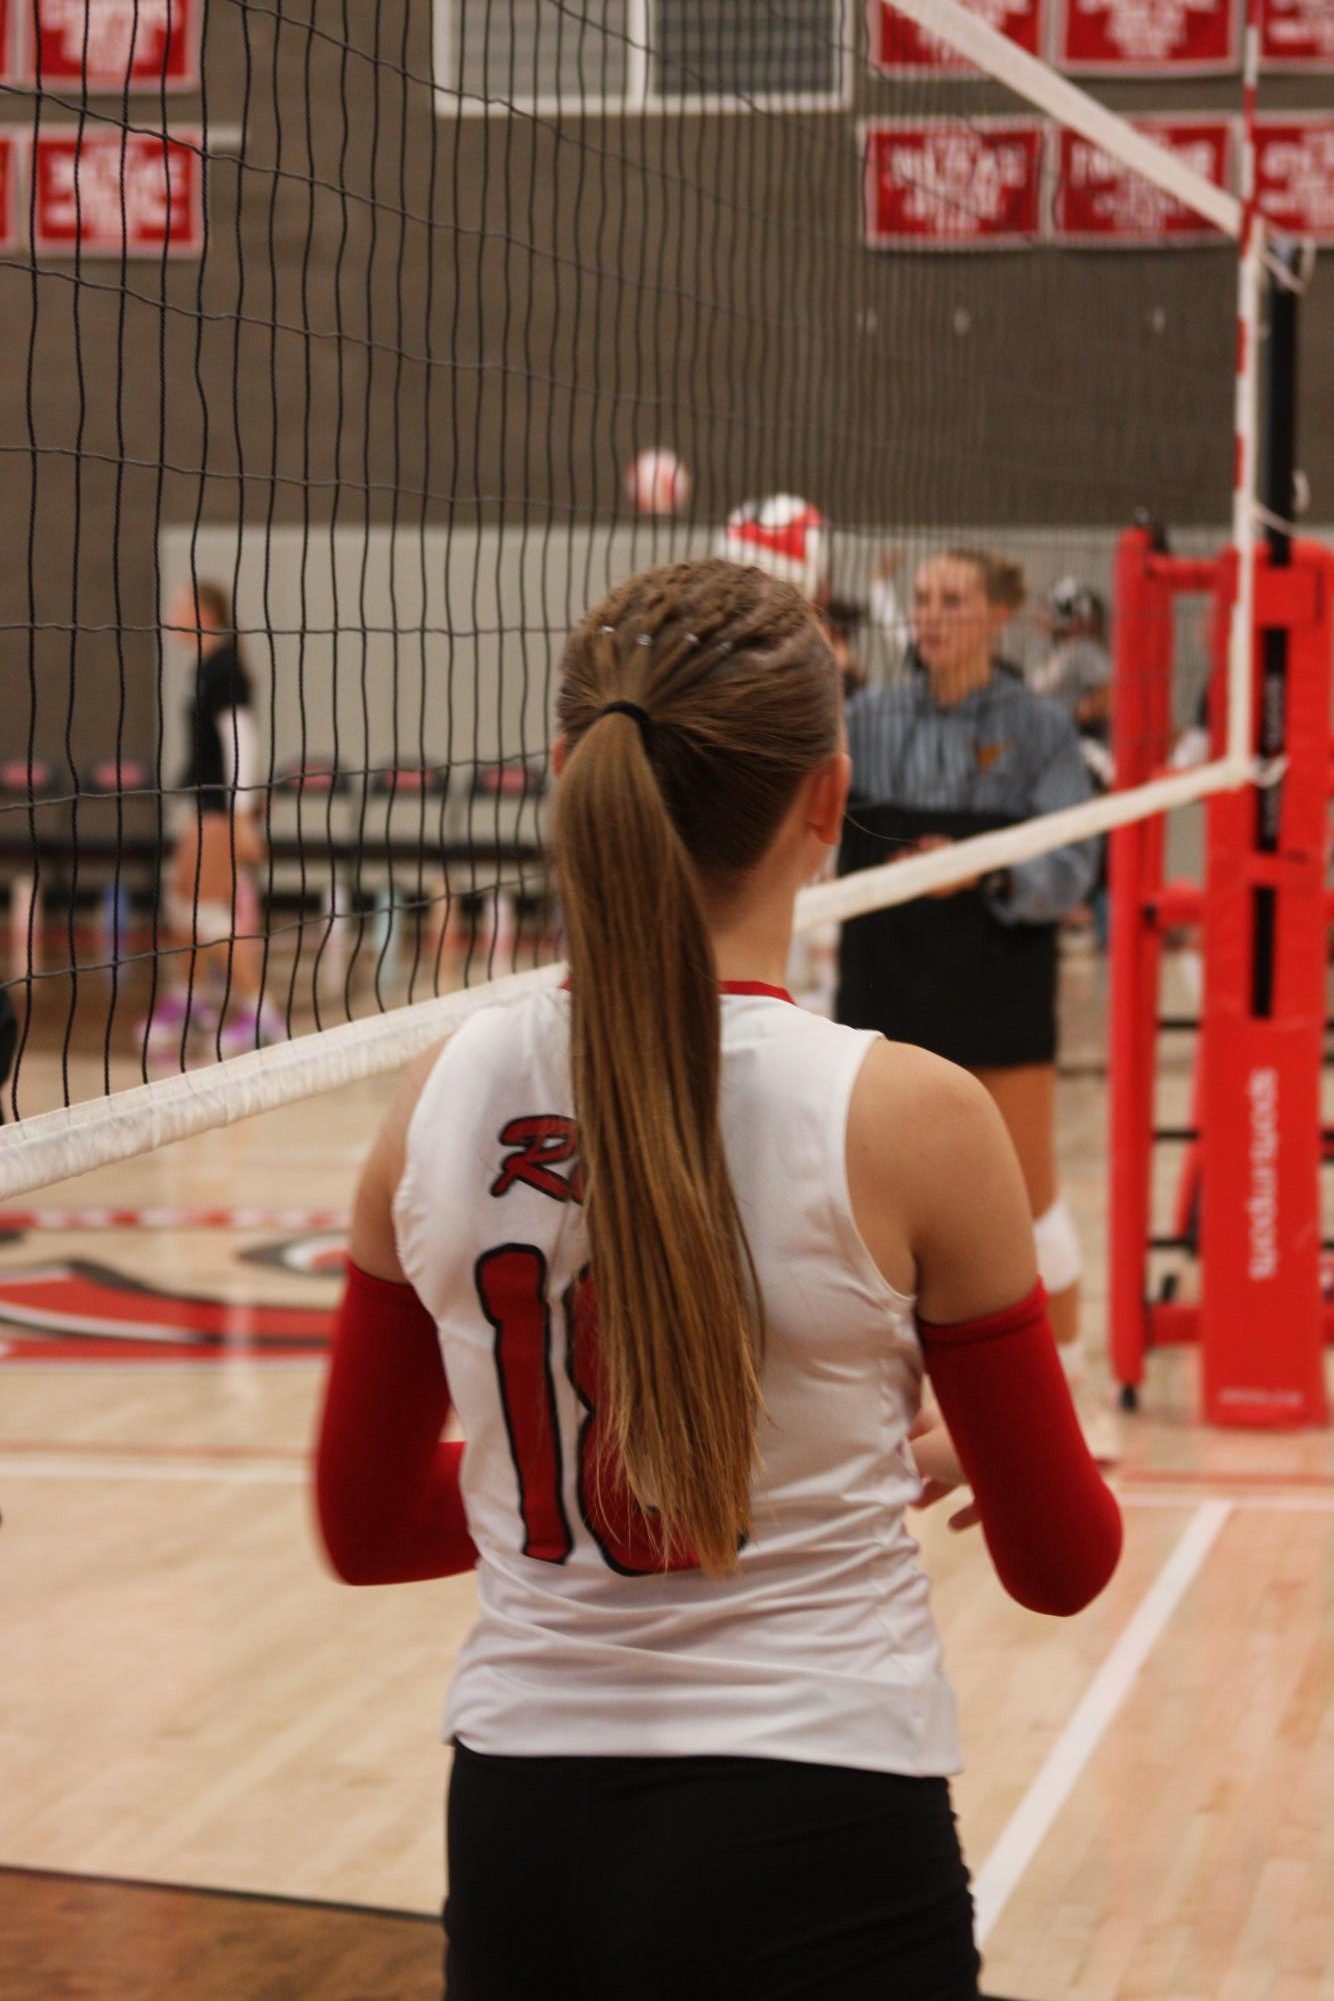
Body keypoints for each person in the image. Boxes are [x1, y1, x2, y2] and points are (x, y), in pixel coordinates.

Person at [315, 558, 1122, 2001]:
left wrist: (556, 1476)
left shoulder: (434, 1098)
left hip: (520, 1834)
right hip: (823, 1821)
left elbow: (364, 1528)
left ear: (568, 773)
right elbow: (1061, 1565)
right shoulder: (917, 1118)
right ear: (827, 804)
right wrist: (906, 1454)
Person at [838, 548, 1108, 1444]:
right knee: (861, 1204)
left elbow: (1074, 862)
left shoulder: (1039, 729)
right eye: (921, 598)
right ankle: (885, 1402)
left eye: (952, 599)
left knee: (1029, 1197)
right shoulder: (863, 718)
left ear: (999, 615)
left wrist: (978, 870)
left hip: (995, 967)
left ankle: (1074, 1392)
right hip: (883, 970)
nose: (930, 614)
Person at [139, 580, 281, 1057]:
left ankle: (261, 1014)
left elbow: (242, 742)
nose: (170, 612)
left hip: (222, 809)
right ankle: (190, 1001)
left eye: (178, 604)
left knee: (208, 911)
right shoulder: (201, 667)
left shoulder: (225, 669)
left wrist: (242, 815)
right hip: (201, 803)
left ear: (202, 611)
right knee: (181, 908)